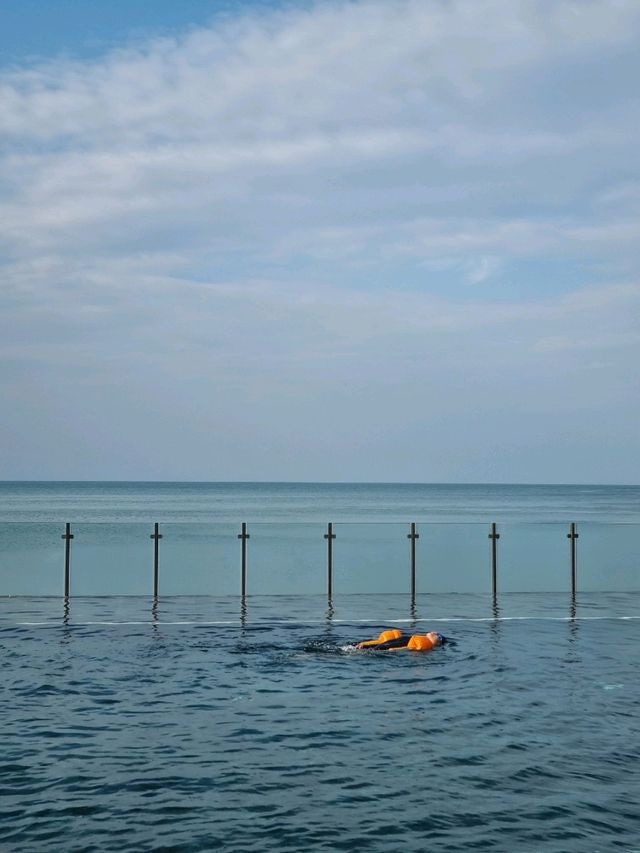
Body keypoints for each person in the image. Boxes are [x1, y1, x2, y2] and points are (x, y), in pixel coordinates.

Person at [355, 628, 446, 651]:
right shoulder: (422, 639)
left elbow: (410, 648)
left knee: (381, 648)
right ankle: (357, 648)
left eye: (438, 635)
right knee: (380, 645)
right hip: (400, 641)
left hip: (400, 646)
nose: (434, 633)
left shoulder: (427, 645)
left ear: (438, 643)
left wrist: (396, 650)